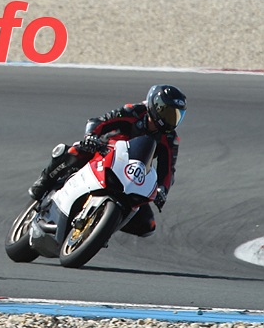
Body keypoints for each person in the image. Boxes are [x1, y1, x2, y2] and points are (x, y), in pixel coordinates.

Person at [27, 84, 187, 237]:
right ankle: (44, 181)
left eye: (177, 116)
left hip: (131, 175)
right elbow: (100, 121)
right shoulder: (134, 111)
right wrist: (91, 136)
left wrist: (162, 190)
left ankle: (101, 228)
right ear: (156, 107)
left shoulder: (170, 139)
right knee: (75, 151)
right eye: (169, 113)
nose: (172, 120)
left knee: (148, 225)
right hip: (106, 152)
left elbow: (168, 170)